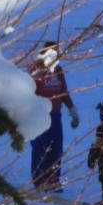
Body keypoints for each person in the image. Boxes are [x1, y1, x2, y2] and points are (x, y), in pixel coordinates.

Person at [29, 41, 79, 192]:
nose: (57, 55)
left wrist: (72, 109)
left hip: (55, 115)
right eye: (54, 52)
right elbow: (29, 92)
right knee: (40, 148)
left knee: (56, 148)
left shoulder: (58, 69)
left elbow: (63, 91)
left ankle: (53, 180)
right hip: (39, 115)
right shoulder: (36, 69)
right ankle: (39, 180)